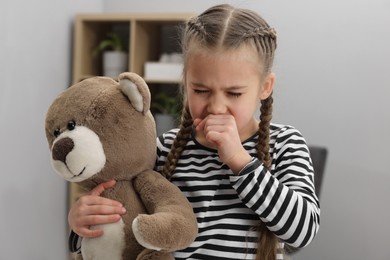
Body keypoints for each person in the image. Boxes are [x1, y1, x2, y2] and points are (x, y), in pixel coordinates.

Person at [68, 4, 320, 260]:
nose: (216, 106)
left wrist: (240, 161)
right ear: (186, 81)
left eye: (234, 93)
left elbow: (302, 232)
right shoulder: (164, 148)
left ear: (265, 87)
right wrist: (84, 221)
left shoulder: (286, 143)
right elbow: (126, 222)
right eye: (200, 90)